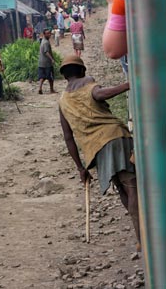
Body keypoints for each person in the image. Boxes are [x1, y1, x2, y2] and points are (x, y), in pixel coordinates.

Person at [59, 55, 140, 251]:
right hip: (116, 138)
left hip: (98, 149)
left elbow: (68, 138)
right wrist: (131, 84)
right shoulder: (87, 82)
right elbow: (101, 94)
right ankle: (143, 236)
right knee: (131, 186)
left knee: (122, 188)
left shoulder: (62, 101)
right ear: (81, 71)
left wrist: (80, 168)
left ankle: (141, 235)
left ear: (64, 76)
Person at [38, 29, 56, 95]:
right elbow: (46, 52)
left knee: (42, 76)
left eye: (49, 33)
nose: (49, 34)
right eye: (47, 33)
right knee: (50, 77)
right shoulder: (46, 42)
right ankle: (51, 90)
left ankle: (40, 88)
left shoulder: (42, 41)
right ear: (44, 34)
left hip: (41, 62)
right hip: (47, 63)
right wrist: (52, 59)